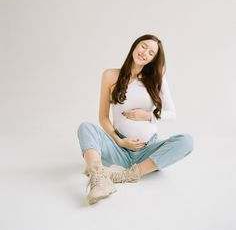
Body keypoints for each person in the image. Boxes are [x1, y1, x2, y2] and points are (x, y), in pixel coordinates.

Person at [77, 34, 193, 205]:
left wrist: (148, 115)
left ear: (153, 59)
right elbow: (102, 117)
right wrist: (119, 141)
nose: (145, 53)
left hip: (148, 151)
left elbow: (171, 113)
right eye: (144, 46)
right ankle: (99, 178)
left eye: (151, 53)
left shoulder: (157, 79)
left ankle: (129, 174)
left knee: (187, 141)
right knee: (85, 127)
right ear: (135, 46)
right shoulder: (110, 75)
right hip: (119, 149)